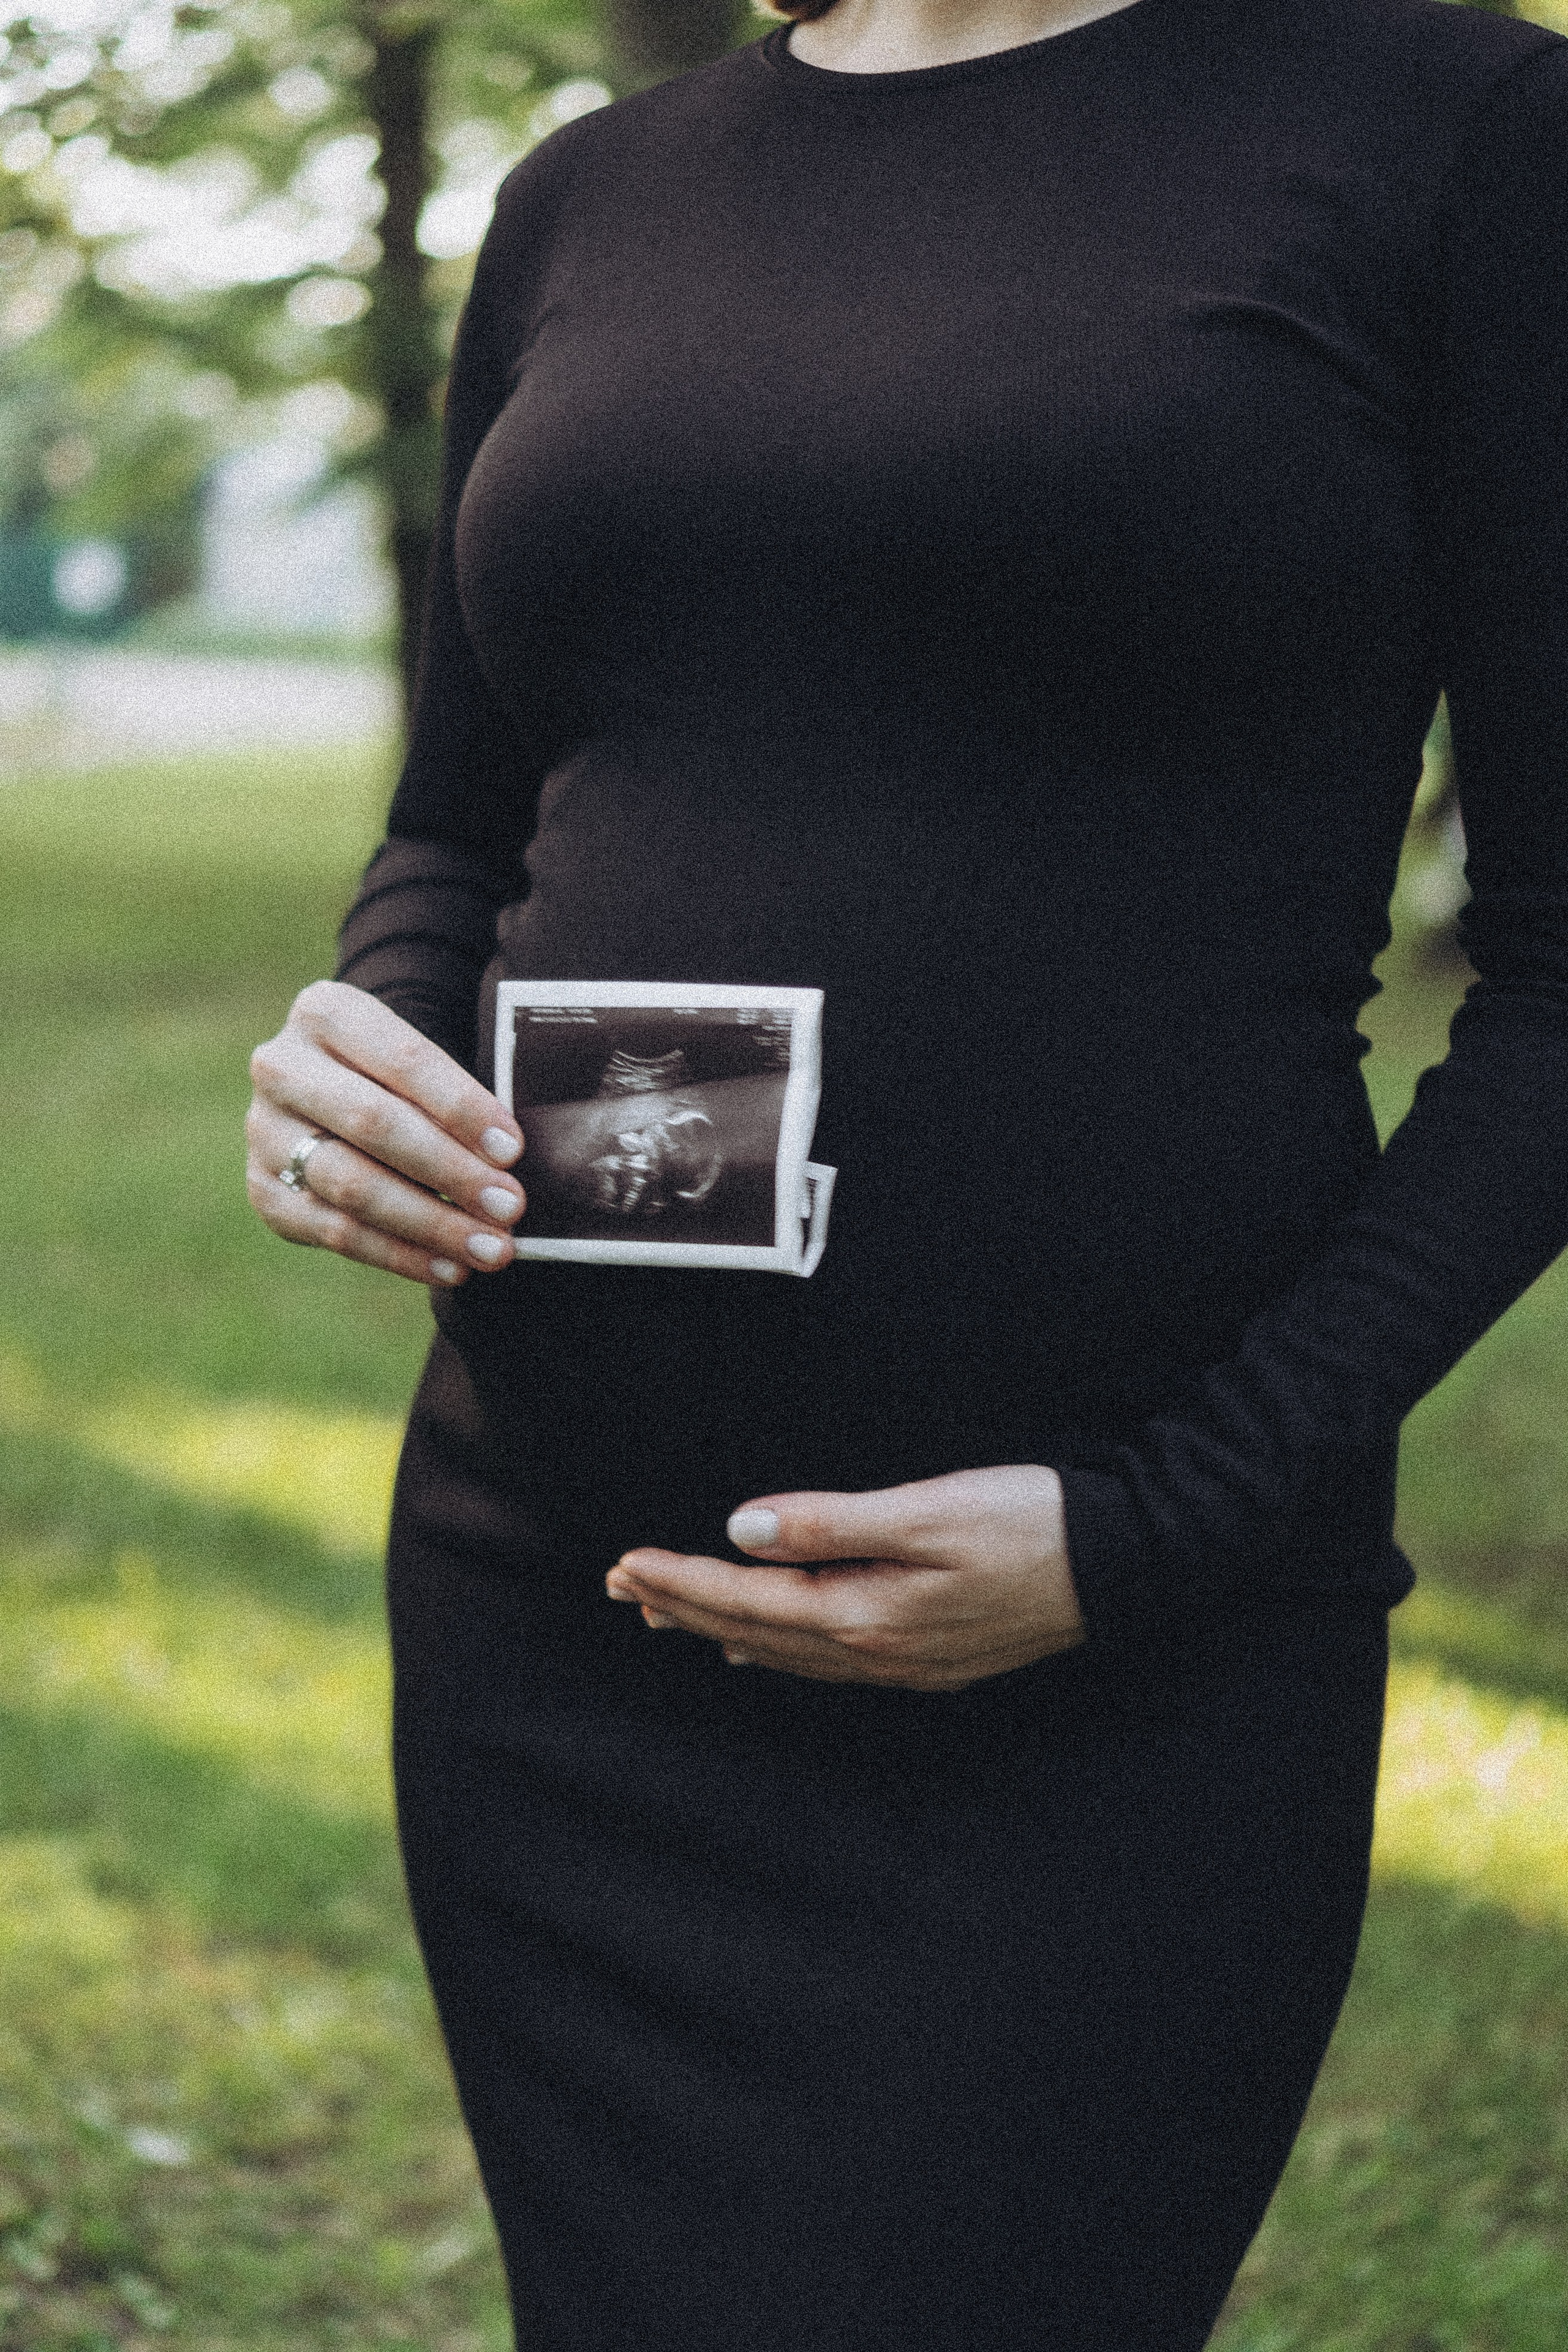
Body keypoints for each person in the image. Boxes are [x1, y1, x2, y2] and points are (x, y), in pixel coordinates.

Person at [244, 0, 1568, 2342]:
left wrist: (1157, 1528)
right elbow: (466, 814)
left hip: (1120, 1657)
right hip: (559, 1602)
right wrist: (371, 1033)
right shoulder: (592, 191)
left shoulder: (1459, 125)